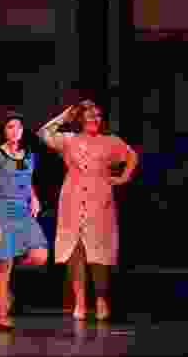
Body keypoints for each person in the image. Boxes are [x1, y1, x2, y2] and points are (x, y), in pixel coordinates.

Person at [37, 100, 138, 320]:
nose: (94, 119)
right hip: (72, 199)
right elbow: (44, 133)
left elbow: (132, 156)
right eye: (90, 116)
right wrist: (67, 115)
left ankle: (101, 299)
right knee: (76, 253)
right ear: (81, 119)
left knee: (98, 252)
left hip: (99, 199)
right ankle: (80, 302)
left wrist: (123, 177)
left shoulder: (110, 141)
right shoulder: (69, 140)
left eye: (98, 116)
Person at [0, 112, 49, 330]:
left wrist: (35, 198)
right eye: (10, 127)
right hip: (3, 211)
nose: (15, 131)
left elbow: (27, 181)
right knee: (2, 267)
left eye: (18, 127)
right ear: (4, 130)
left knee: (40, 256)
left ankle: (10, 275)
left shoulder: (27, 155)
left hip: (24, 212)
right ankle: (0, 315)